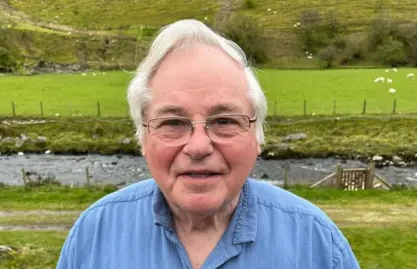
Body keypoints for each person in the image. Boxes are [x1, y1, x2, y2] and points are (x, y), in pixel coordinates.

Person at [56, 19, 360, 269]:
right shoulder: (93, 236)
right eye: (173, 123)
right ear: (143, 139)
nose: (198, 147)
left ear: (256, 138)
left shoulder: (316, 245)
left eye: (224, 121)